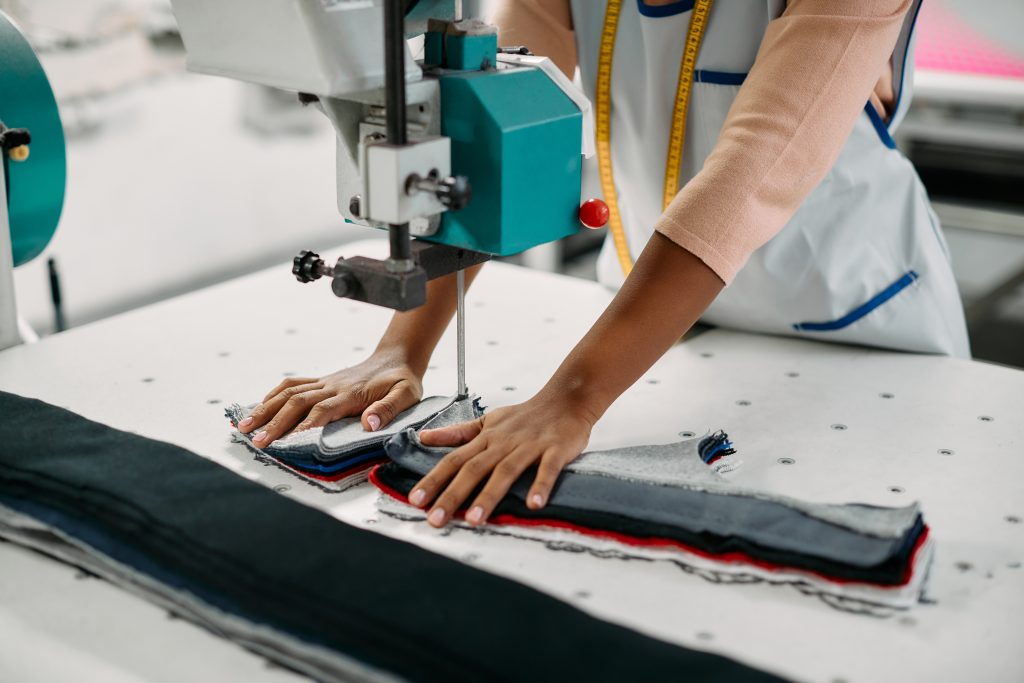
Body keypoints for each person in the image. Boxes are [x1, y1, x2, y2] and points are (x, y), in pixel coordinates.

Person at [238, 0, 968, 528]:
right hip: (665, 332)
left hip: (857, 333)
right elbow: (489, 139)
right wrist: (402, 347)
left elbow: (747, 179)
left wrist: (572, 399)